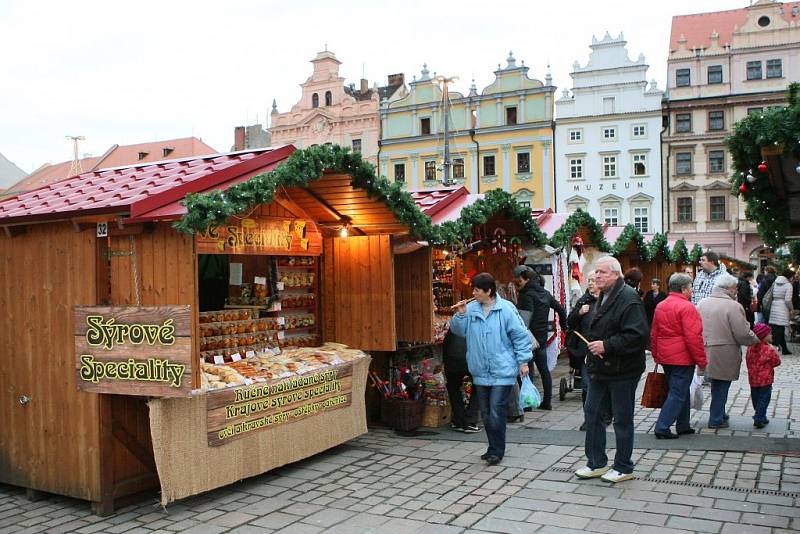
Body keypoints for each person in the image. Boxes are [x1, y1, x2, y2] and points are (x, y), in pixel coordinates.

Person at [574, 256, 648, 484]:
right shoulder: (603, 296)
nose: (596, 276)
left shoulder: (628, 298)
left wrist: (607, 345)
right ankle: (596, 462)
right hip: (600, 368)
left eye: (602, 272)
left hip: (623, 369)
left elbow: (638, 335)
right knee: (592, 413)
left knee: (621, 419)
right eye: (596, 272)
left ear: (616, 274)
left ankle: (623, 466)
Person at [450, 272, 533, 466]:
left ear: (488, 291)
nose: (474, 293)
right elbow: (457, 331)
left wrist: (523, 361)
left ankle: (497, 450)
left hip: (502, 369)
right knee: (486, 413)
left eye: (477, 290)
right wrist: (460, 315)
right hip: (480, 370)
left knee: (496, 411)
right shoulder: (470, 309)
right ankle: (492, 447)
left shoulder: (506, 309)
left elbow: (520, 336)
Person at [697, 274, 759, 429]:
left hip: (705, 348)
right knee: (722, 385)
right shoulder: (733, 306)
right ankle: (716, 418)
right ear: (729, 288)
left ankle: (719, 412)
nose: (736, 291)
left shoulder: (703, 302)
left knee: (716, 384)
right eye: (734, 288)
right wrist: (756, 340)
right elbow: (742, 333)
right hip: (725, 351)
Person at [650, 273, 707, 439]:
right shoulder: (688, 307)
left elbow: (654, 333)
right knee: (678, 393)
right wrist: (701, 361)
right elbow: (694, 337)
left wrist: (656, 354)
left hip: (666, 356)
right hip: (682, 357)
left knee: (679, 391)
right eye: (690, 287)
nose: (692, 290)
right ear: (683, 289)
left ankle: (683, 425)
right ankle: (662, 426)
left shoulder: (661, 305)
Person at [513, 265, 566, 411]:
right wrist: (564, 326)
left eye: (519, 281)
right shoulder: (545, 293)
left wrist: (519, 331)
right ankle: (547, 402)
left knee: (525, 370)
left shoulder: (526, 295)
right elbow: (561, 309)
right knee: (543, 370)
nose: (518, 284)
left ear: (526, 279)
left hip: (528, 337)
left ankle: (528, 403)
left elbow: (526, 316)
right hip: (542, 337)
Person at [566, 271, 612, 431]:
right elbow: (569, 322)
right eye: (590, 280)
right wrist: (579, 313)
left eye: (594, 280)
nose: (591, 283)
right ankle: (589, 418)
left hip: (605, 350)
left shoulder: (609, 301)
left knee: (605, 385)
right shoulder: (583, 301)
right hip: (586, 351)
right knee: (586, 385)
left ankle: (606, 414)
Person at [442, 329, 480, 433]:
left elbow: (446, 342)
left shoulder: (456, 320)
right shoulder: (477, 320)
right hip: (472, 358)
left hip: (452, 358)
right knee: (479, 387)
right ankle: (470, 421)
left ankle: (458, 420)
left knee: (453, 387)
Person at [746, 323, 781, 429]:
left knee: (756, 399)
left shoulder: (750, 347)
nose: (772, 335)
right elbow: (776, 362)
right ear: (764, 336)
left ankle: (761, 415)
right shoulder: (769, 349)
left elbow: (747, 361)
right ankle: (759, 418)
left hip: (753, 379)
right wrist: (776, 352)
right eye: (770, 334)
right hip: (766, 380)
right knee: (764, 399)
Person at [767, 269, 794, 355]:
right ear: (789, 276)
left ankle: (785, 349)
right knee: (780, 330)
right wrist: (791, 309)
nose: (793, 278)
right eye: (792, 276)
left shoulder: (775, 283)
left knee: (777, 328)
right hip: (783, 308)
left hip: (774, 306)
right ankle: (773, 349)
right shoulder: (788, 285)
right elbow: (787, 300)